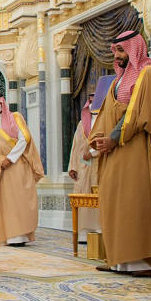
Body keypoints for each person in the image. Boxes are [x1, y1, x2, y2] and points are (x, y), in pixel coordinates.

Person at [90, 30, 151, 277]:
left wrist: (113, 138)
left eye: (121, 50)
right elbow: (107, 114)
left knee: (136, 203)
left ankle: (144, 262)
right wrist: (99, 140)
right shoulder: (117, 81)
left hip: (137, 151)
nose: (117, 56)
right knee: (114, 202)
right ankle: (118, 260)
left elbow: (140, 113)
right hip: (115, 152)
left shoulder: (149, 74)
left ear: (134, 49)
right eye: (116, 51)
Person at [0, 92, 44, 247]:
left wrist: (10, 158)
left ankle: (20, 235)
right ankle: (7, 236)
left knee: (20, 201)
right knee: (5, 203)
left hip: (18, 165)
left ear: (3, 102)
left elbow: (24, 139)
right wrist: (0, 161)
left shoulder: (16, 117)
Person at [67, 96, 99, 243]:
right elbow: (76, 147)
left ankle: (99, 230)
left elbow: (110, 142)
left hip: (100, 166)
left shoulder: (105, 121)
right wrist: (72, 167)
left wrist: (92, 153)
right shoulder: (82, 124)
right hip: (83, 168)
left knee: (98, 199)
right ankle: (83, 232)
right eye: (90, 101)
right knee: (83, 198)